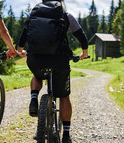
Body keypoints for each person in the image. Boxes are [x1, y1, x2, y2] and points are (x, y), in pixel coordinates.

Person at [17, 0, 88, 142]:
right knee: (64, 96)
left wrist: (20, 51)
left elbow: (23, 37)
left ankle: (33, 99)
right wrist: (84, 53)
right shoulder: (66, 15)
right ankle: (66, 135)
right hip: (59, 60)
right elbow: (81, 36)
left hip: (35, 60)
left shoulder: (34, 15)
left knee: (37, 75)